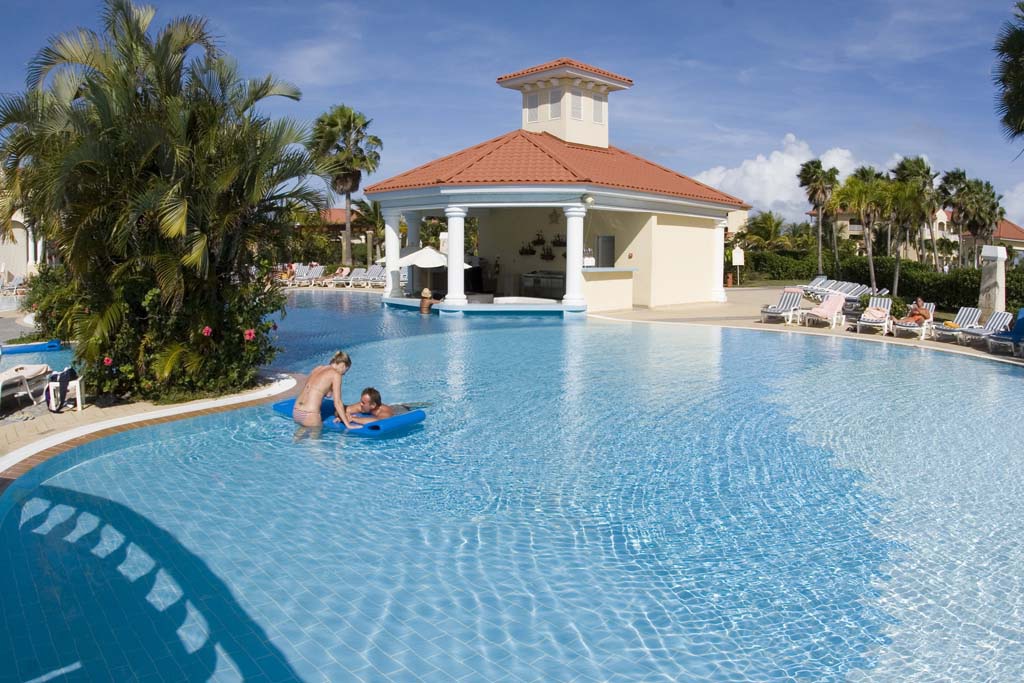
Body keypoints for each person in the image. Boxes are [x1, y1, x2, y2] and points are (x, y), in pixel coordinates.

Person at [292, 351, 359, 429]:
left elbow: (310, 389)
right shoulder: (336, 375)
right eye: (346, 370)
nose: (344, 374)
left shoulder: (318, 368)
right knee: (317, 435)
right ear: (343, 365)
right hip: (310, 414)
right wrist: (347, 424)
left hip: (296, 411)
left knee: (300, 435)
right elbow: (337, 402)